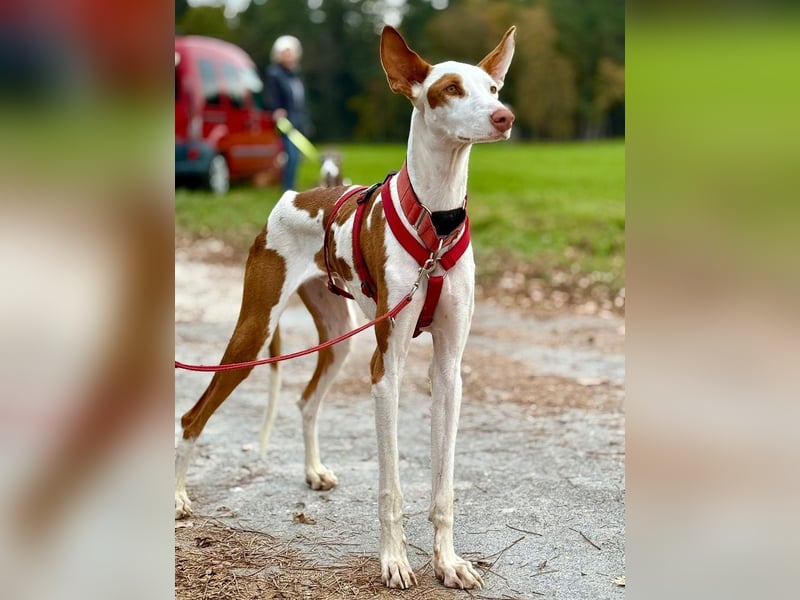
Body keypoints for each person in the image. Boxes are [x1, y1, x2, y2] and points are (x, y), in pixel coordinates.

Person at [265, 35, 311, 192]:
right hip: (285, 122)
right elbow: (272, 96)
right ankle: (288, 188)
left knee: (296, 156)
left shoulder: (296, 75)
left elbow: (301, 101)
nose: (288, 56)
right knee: (290, 155)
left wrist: (305, 123)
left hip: (297, 120)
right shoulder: (274, 74)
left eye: (291, 53)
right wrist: (276, 109)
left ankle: (290, 185)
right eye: (285, 53)